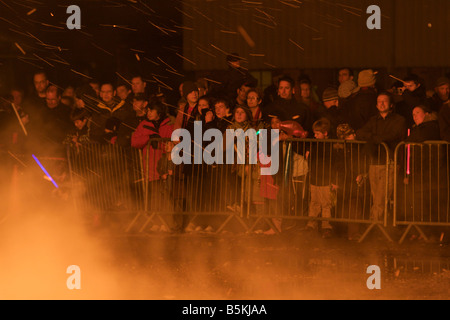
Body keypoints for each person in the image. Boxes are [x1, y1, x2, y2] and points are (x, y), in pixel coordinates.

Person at [356, 91, 407, 222]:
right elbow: (360, 132)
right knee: (377, 198)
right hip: (374, 163)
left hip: (389, 163)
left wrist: (374, 138)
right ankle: (382, 227)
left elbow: (391, 136)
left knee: (381, 199)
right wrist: (375, 138)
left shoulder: (399, 120)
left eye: (384, 101)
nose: (381, 103)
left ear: (391, 105)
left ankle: (373, 226)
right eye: (379, 101)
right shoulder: (373, 120)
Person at [131, 100, 175, 231]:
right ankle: (157, 222)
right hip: (150, 167)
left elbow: (173, 144)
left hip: (165, 165)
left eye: (151, 110)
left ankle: (168, 223)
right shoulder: (144, 125)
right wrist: (150, 138)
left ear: (159, 112)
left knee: (166, 196)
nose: (148, 113)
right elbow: (134, 142)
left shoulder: (169, 125)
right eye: (148, 110)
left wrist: (160, 143)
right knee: (154, 196)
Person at [334, 123, 368, 241]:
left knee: (355, 205)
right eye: (349, 134)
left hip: (354, 180)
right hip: (343, 180)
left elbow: (362, 161)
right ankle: (341, 232)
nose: (353, 135)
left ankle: (353, 233)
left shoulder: (358, 146)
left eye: (352, 133)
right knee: (343, 206)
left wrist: (362, 173)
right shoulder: (338, 149)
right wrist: (335, 180)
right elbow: (337, 166)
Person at [304, 118, 337, 238]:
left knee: (326, 203)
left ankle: (326, 226)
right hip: (315, 178)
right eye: (315, 134)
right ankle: (311, 224)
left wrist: (334, 180)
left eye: (317, 134)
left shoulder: (330, 146)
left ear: (325, 133)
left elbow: (334, 165)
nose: (315, 136)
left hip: (325, 179)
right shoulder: (314, 144)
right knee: (314, 202)